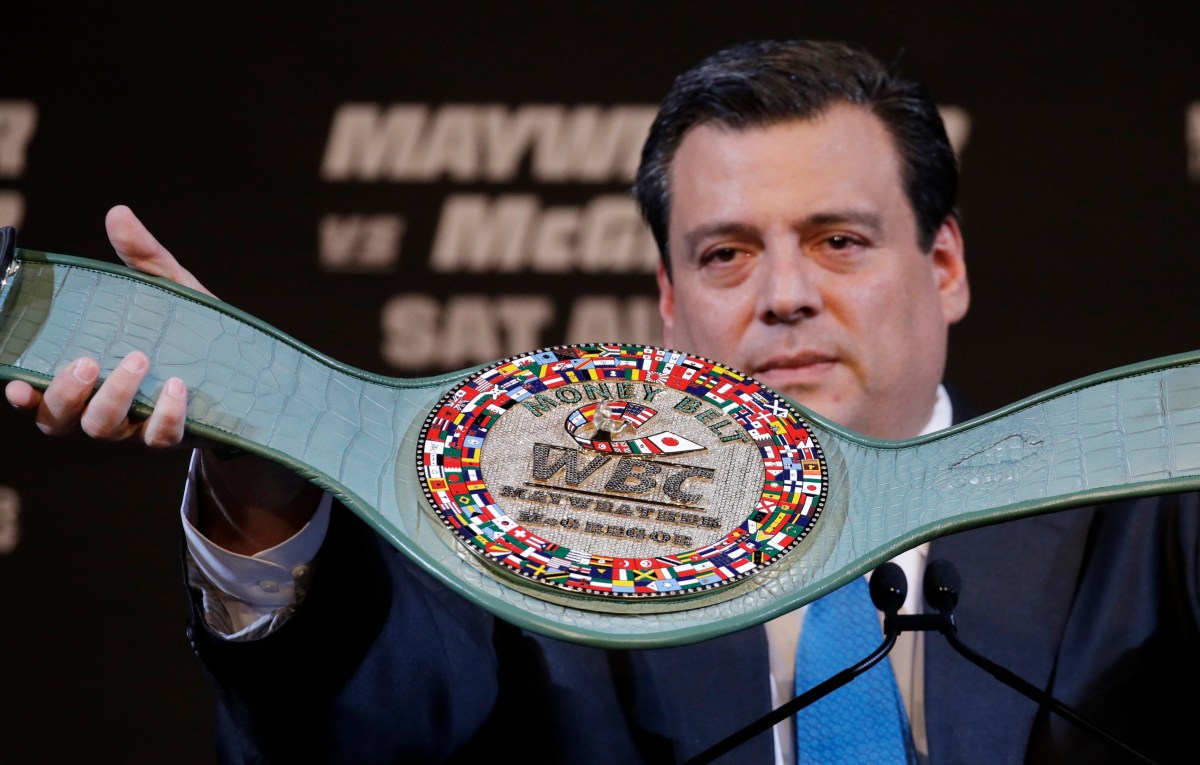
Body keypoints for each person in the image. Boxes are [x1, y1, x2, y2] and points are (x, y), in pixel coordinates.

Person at [7, 39, 1198, 765]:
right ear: (669, 305)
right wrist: (259, 460)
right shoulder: (537, 551)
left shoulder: (1140, 536)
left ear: (944, 267)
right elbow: (359, 738)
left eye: (839, 241)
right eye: (727, 255)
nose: (784, 296)